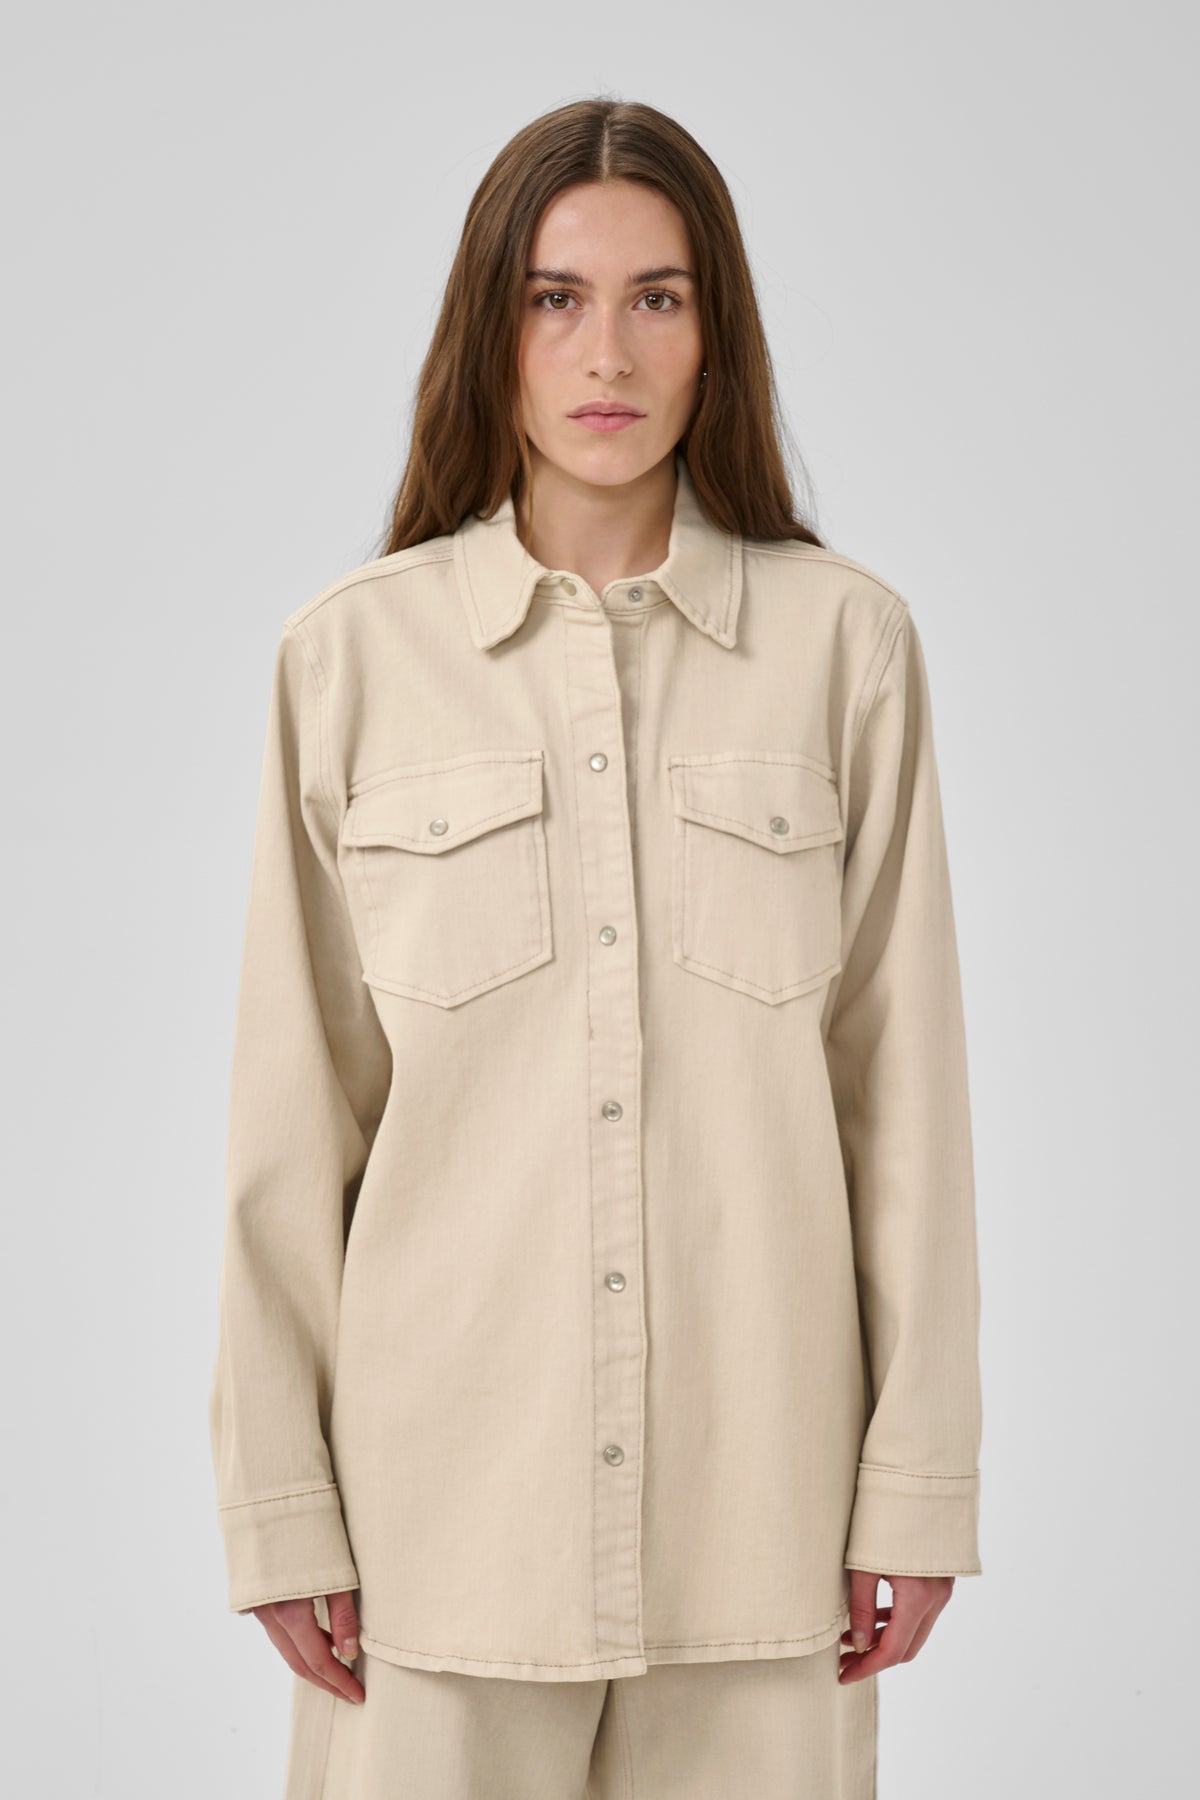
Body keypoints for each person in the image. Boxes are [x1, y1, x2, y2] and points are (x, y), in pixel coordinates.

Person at [209, 95, 984, 1799]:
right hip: (433, 1548)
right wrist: (281, 1505)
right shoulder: (348, 663)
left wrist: (917, 1485)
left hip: (765, 1537)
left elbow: (903, 1098)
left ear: (719, 335)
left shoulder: (846, 650)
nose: (607, 352)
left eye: (659, 297)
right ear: (489, 331)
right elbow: (293, 1123)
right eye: (555, 298)